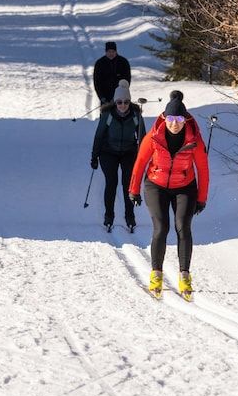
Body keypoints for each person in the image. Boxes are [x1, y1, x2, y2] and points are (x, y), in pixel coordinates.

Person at [127, 90, 209, 300]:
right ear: (165, 117)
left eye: (179, 119)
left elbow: (202, 168)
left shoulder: (195, 139)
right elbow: (140, 163)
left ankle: (184, 276)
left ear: (185, 119)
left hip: (185, 185)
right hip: (156, 185)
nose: (175, 123)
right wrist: (133, 190)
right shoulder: (153, 136)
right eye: (171, 119)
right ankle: (156, 275)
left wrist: (202, 197)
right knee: (161, 227)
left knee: (183, 226)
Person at [90, 79, 146, 233]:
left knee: (128, 185)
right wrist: (94, 156)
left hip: (129, 152)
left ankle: (130, 216)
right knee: (111, 183)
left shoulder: (135, 115)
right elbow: (99, 136)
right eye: (120, 102)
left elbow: (143, 138)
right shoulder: (108, 115)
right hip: (108, 152)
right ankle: (109, 216)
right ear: (115, 102)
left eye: (126, 102)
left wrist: (144, 157)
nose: (123, 105)